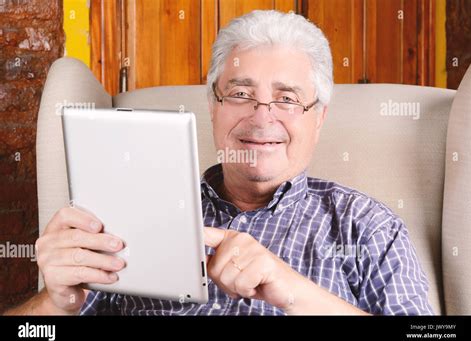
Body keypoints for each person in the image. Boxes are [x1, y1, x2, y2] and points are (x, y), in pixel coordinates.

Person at [4, 10, 432, 316]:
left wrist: (294, 294)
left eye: (286, 98)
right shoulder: (132, 212)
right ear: (213, 106)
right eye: (241, 94)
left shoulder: (368, 226)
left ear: (318, 118)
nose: (262, 116)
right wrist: (54, 305)